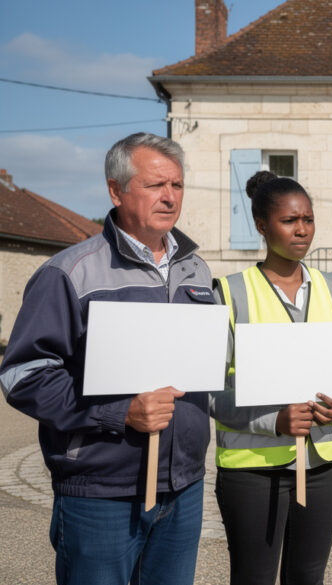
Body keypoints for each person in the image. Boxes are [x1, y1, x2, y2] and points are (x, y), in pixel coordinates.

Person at [0, 133, 213, 585]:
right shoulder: (69, 272)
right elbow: (23, 375)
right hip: (101, 494)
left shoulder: (196, 269)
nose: (170, 196)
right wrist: (120, 413)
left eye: (176, 185)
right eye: (155, 185)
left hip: (184, 486)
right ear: (116, 191)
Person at [210, 171, 332, 585]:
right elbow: (209, 390)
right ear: (261, 225)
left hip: (325, 463)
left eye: (308, 219)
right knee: (253, 577)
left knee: (308, 576)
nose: (302, 230)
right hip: (252, 469)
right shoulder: (229, 292)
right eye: (289, 221)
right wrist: (274, 421)